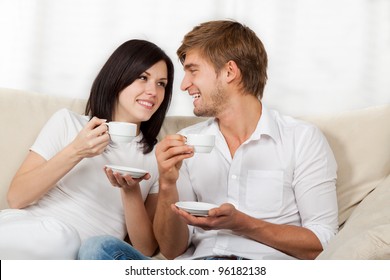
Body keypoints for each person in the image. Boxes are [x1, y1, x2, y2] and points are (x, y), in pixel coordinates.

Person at [78, 19, 338, 260]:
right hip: (197, 267)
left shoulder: (301, 139)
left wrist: (243, 224)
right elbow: (171, 250)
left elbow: (323, 241)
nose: (183, 85)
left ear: (229, 72)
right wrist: (168, 182)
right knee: (97, 249)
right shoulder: (188, 141)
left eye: (193, 71)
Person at [0, 39, 174, 259]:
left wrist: (131, 192)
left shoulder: (157, 156)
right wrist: (76, 151)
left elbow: (144, 249)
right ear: (118, 78)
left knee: (66, 241)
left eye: (162, 84)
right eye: (143, 78)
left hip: (81, 254)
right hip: (29, 234)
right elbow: (16, 198)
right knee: (59, 238)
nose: (153, 91)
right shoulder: (69, 123)